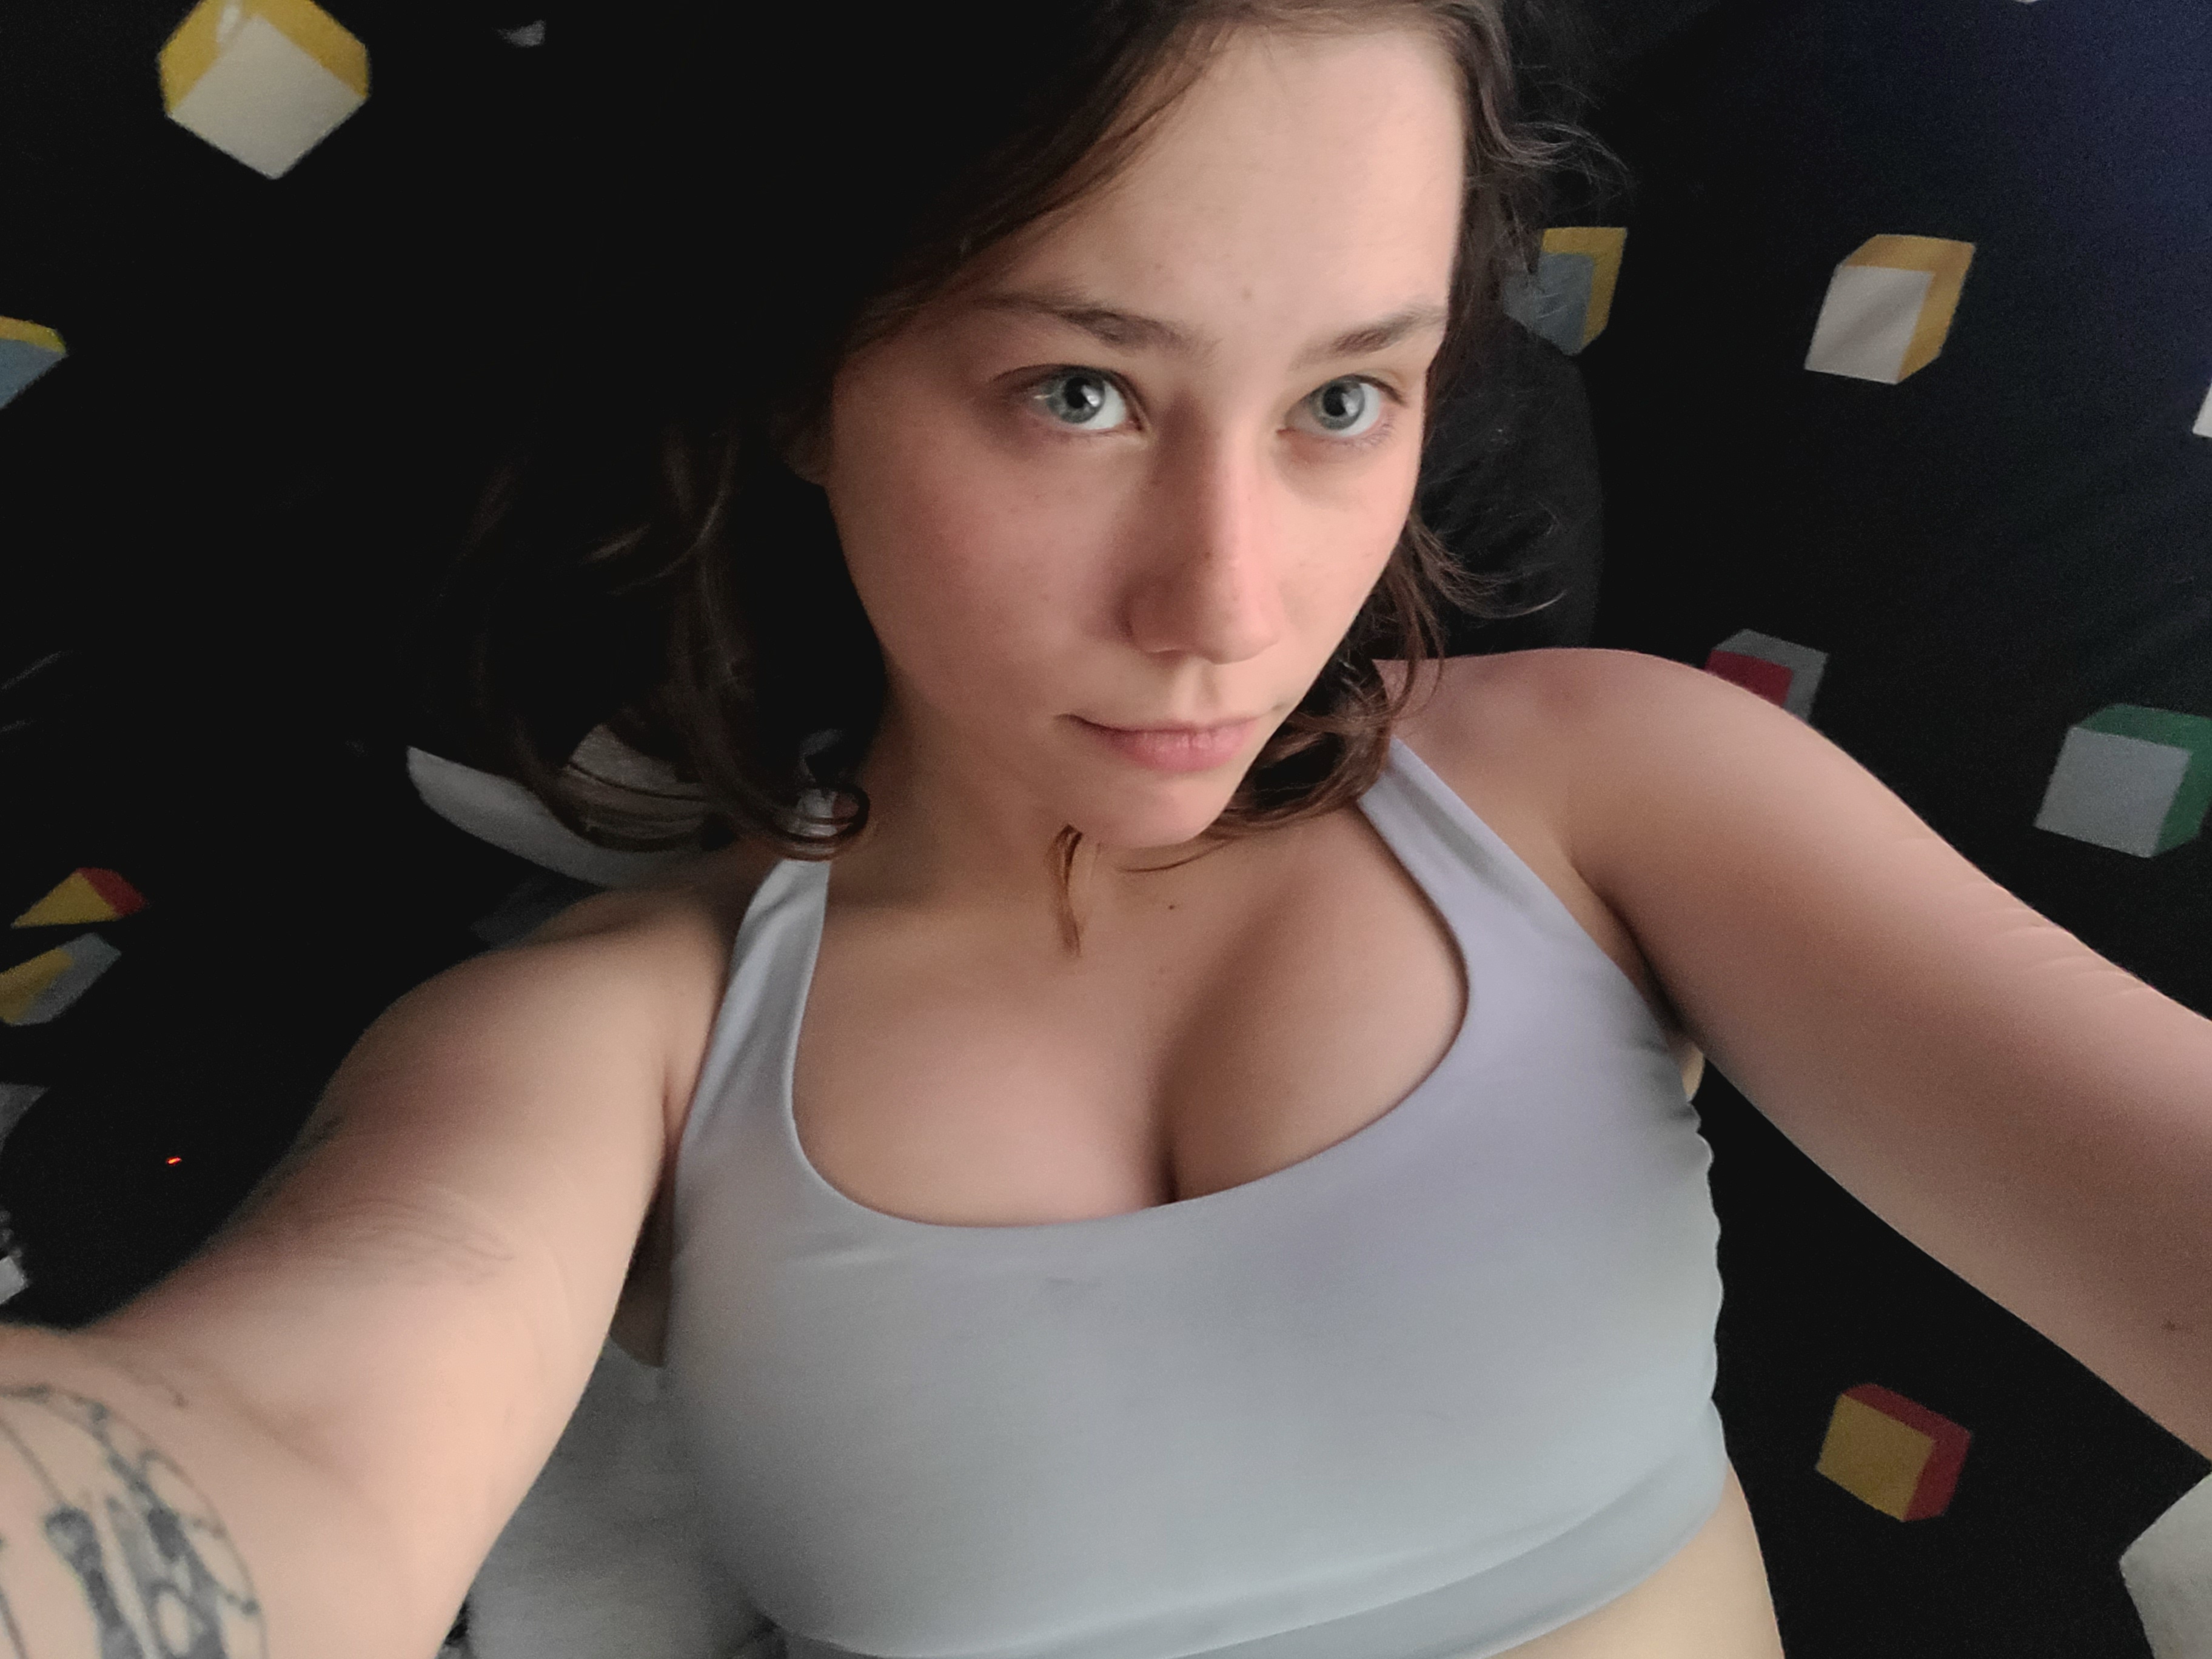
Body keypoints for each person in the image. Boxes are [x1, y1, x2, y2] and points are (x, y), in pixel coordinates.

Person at [5, 4, 2208, 1657]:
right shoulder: (624, 1039)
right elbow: (284, 1456)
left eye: (1344, 398)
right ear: (808, 375)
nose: (1226, 606)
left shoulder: (1612, 790)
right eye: (1079, 392)